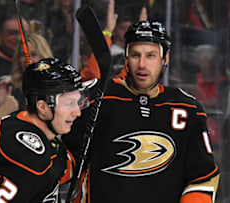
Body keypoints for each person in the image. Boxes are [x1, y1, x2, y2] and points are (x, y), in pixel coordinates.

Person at [64, 20, 220, 203]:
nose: (142, 65)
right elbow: (64, 163)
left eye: (151, 56)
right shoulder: (96, 99)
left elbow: (203, 177)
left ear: (165, 58)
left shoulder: (189, 109)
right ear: (126, 57)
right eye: (135, 55)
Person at [0, 57, 87, 202]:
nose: (77, 112)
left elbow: (56, 167)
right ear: (43, 107)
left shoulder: (19, 123)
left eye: (77, 102)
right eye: (69, 104)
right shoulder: (23, 155)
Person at [0, 33, 54, 117]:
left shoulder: (56, 88)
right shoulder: (10, 88)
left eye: (33, 55)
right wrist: (2, 107)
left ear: (44, 57)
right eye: (23, 55)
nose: (28, 59)